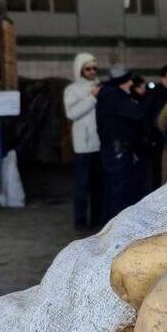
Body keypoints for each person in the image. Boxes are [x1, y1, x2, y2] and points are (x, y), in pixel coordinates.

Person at [95, 64, 146, 220]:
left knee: (113, 188)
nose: (131, 83)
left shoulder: (109, 94)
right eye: (128, 80)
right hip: (118, 150)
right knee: (119, 190)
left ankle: (110, 223)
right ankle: (117, 225)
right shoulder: (114, 96)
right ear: (121, 81)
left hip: (113, 149)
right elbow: (138, 113)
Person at [63, 52, 102, 232]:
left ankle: (97, 220)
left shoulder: (99, 86)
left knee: (98, 186)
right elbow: (71, 113)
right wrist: (92, 98)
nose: (92, 71)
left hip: (100, 143)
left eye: (94, 68)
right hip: (83, 146)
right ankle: (80, 222)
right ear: (80, 70)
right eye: (88, 69)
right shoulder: (72, 90)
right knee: (82, 186)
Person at [142, 64, 167, 190]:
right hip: (158, 142)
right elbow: (146, 117)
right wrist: (152, 138)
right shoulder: (154, 95)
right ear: (163, 79)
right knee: (159, 175)